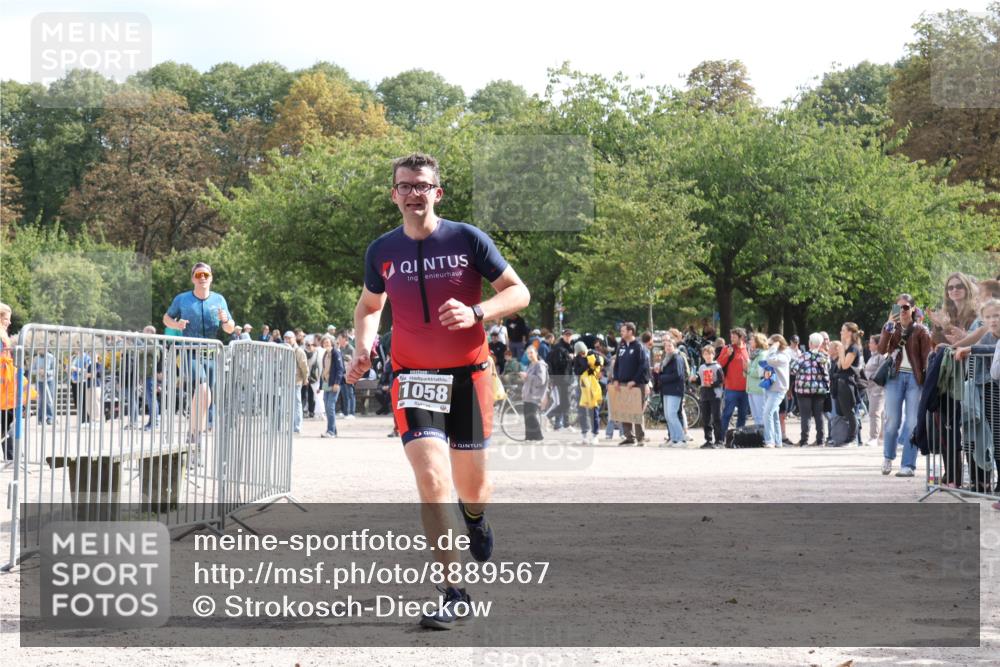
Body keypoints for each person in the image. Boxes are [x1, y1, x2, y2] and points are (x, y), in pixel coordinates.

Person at [345, 152, 530, 630]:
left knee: (473, 487)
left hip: (468, 376)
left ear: (437, 192)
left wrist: (478, 313)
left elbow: (518, 291)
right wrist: (364, 347)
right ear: (394, 195)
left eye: (422, 185)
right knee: (431, 480)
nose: (413, 193)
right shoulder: (381, 250)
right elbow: (369, 306)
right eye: (404, 186)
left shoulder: (467, 238)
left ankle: (475, 517)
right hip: (414, 378)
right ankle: (453, 591)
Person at [163, 262, 236, 445]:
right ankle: (194, 436)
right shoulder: (183, 299)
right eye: (198, 275)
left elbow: (229, 329)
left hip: (212, 353)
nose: (202, 278)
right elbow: (166, 318)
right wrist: (176, 325)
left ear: (211, 278)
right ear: (192, 278)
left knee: (205, 397)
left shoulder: (219, 300)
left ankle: (194, 436)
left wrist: (225, 320)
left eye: (205, 275)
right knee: (203, 390)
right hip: (190, 351)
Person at [878, 293, 933, 477]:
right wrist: (888, 328)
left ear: (913, 309)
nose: (902, 311)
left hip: (915, 380)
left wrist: (927, 381)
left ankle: (908, 464)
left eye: (905, 307)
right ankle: (888, 456)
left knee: (912, 422)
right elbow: (881, 350)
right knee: (892, 419)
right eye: (898, 307)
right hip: (895, 377)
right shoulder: (890, 328)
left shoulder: (921, 331)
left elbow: (926, 357)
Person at [612, 321, 649, 446]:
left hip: (636, 385)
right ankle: (629, 437)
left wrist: (634, 380)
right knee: (624, 411)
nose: (621, 333)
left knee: (636, 411)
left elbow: (643, 366)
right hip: (622, 383)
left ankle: (640, 438)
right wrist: (615, 379)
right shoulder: (621, 346)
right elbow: (616, 364)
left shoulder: (639, 346)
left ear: (630, 332)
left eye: (623, 331)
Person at [791, 333, 830, 446]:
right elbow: (828, 370)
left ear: (811, 343)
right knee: (819, 415)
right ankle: (820, 440)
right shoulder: (824, 357)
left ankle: (804, 440)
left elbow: (793, 369)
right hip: (820, 390)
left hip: (804, 390)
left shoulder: (803, 356)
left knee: (805, 416)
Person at [830, 323, 864, 446]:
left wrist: (841, 352)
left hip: (848, 382)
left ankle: (852, 438)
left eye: (843, 330)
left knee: (849, 412)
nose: (841, 332)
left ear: (849, 332)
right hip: (840, 382)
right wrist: (841, 351)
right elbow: (839, 365)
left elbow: (845, 365)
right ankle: (847, 436)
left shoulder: (854, 348)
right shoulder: (846, 346)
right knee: (842, 411)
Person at [654, 337, 688, 447]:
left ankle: (681, 439)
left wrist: (662, 378)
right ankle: (673, 439)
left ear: (674, 346)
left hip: (675, 390)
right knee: (668, 416)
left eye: (670, 346)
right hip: (667, 390)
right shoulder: (666, 358)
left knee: (673, 414)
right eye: (666, 346)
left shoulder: (677, 358)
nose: (667, 348)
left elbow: (678, 374)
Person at [717, 328, 751, 434]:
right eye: (731, 336)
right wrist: (727, 354)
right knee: (727, 414)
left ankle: (738, 438)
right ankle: (721, 438)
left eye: (734, 337)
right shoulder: (727, 348)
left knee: (742, 415)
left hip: (745, 389)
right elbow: (719, 364)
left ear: (741, 338)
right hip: (731, 388)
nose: (731, 339)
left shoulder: (748, 349)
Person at [761, 335, 791, 448]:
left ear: (778, 344)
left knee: (767, 413)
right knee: (773, 415)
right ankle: (778, 441)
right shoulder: (772, 353)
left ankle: (769, 440)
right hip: (769, 387)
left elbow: (770, 360)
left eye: (770, 344)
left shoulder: (784, 356)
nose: (768, 347)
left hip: (778, 389)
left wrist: (773, 347)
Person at [695, 344, 724, 448]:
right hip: (704, 394)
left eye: (710, 354)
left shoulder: (717, 367)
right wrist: (695, 379)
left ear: (713, 355)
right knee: (706, 418)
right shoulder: (701, 367)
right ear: (703, 355)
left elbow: (721, 381)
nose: (708, 356)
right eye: (705, 354)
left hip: (715, 394)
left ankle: (719, 441)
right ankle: (708, 440)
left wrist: (712, 384)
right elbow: (700, 381)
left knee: (716, 417)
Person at [547, 329, 575, 430]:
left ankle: (564, 424)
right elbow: (557, 364)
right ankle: (549, 416)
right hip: (561, 378)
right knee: (565, 403)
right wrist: (569, 358)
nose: (568, 337)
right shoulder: (559, 347)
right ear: (563, 336)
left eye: (570, 335)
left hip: (567, 378)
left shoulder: (570, 346)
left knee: (564, 403)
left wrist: (572, 359)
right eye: (566, 335)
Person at [520, 346, 548, 441]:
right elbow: (529, 380)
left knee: (532, 416)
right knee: (527, 417)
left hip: (535, 395)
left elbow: (541, 381)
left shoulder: (540, 365)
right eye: (528, 353)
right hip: (528, 395)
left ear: (536, 353)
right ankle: (529, 437)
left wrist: (527, 376)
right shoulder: (531, 365)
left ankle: (538, 437)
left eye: (531, 352)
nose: (529, 355)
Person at [863, 334, 886, 446]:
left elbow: (882, 372)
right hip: (871, 388)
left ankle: (874, 437)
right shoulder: (873, 356)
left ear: (877, 344)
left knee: (874, 412)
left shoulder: (881, 356)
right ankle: (880, 438)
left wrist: (871, 377)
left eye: (871, 342)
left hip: (878, 389)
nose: (869, 344)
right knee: (878, 413)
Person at [319, 334, 344, 438]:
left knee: (330, 406)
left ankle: (331, 432)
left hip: (334, 383)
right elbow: (324, 370)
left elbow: (340, 369)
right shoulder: (325, 354)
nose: (326, 344)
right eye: (324, 342)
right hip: (326, 382)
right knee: (326, 405)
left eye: (328, 342)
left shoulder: (336, 353)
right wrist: (320, 386)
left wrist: (337, 383)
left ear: (332, 343)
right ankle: (332, 429)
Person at [745, 332, 769, 426]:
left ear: (758, 342)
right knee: (755, 416)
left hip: (759, 389)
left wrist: (748, 368)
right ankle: (759, 435)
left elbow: (759, 372)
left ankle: (764, 436)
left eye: (752, 340)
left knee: (761, 416)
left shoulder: (762, 355)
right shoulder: (754, 354)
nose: (750, 341)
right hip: (752, 389)